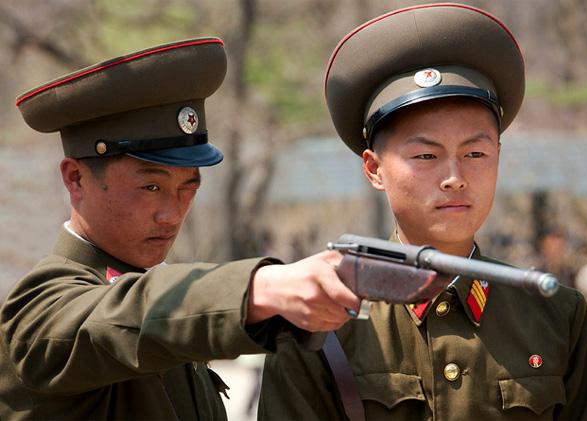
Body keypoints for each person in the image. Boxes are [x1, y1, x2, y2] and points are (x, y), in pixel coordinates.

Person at [259, 4, 587, 420]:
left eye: (475, 152)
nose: (455, 177)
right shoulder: (318, 319)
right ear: (374, 169)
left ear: (499, 157)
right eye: (426, 155)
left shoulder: (558, 315)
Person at [0, 38, 361, 420]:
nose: (172, 215)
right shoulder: (40, 307)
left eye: (189, 188)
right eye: (150, 187)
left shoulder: (161, 292)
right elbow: (125, 315)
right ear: (76, 178)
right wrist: (261, 286)